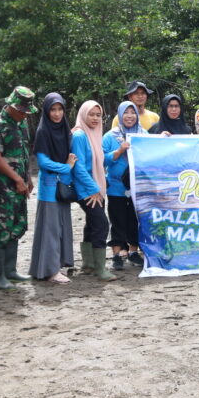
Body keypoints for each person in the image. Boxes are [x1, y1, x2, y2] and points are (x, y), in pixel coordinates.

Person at [0, 86, 37, 290]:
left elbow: (24, 153)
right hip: (2, 187)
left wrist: (27, 178)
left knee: (16, 226)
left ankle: (10, 270)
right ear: (10, 105)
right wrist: (16, 179)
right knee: (0, 229)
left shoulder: (21, 123)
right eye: (21, 109)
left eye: (26, 110)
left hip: (19, 186)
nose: (24, 114)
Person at [29, 93, 77, 283]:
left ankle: (55, 266)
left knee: (60, 226)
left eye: (60, 109)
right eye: (52, 110)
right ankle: (50, 271)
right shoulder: (43, 131)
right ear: (46, 111)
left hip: (63, 186)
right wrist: (66, 167)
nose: (57, 114)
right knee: (50, 229)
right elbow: (43, 162)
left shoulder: (65, 130)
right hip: (49, 188)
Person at [73, 100, 116, 281]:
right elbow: (78, 166)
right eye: (91, 114)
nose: (96, 118)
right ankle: (100, 269)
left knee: (92, 223)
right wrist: (94, 189)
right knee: (101, 224)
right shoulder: (79, 135)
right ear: (83, 114)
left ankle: (88, 265)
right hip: (87, 189)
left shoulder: (94, 134)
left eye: (98, 115)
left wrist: (119, 152)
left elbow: (99, 159)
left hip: (96, 186)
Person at [104, 102, 146, 270]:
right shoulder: (110, 136)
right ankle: (116, 254)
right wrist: (119, 151)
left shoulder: (143, 135)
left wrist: (163, 138)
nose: (129, 116)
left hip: (137, 187)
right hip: (115, 186)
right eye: (126, 113)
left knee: (135, 220)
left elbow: (154, 151)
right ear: (120, 115)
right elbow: (101, 159)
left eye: (133, 112)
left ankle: (134, 252)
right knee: (117, 220)